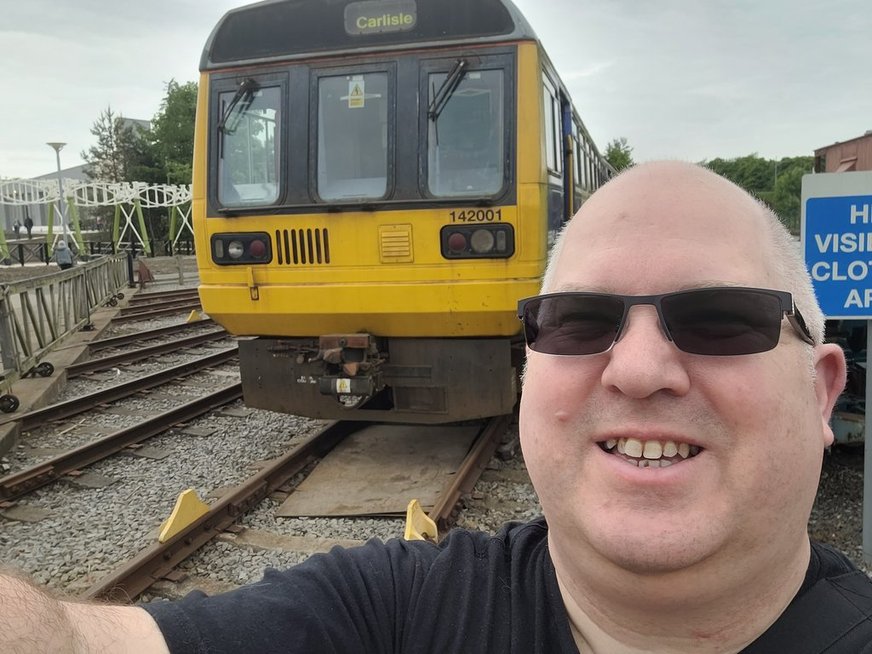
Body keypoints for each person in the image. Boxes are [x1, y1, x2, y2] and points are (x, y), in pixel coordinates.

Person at [2, 161, 870, 653]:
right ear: (530, 371)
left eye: (722, 320)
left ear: (823, 386)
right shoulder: (389, 615)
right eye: (576, 322)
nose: (639, 369)